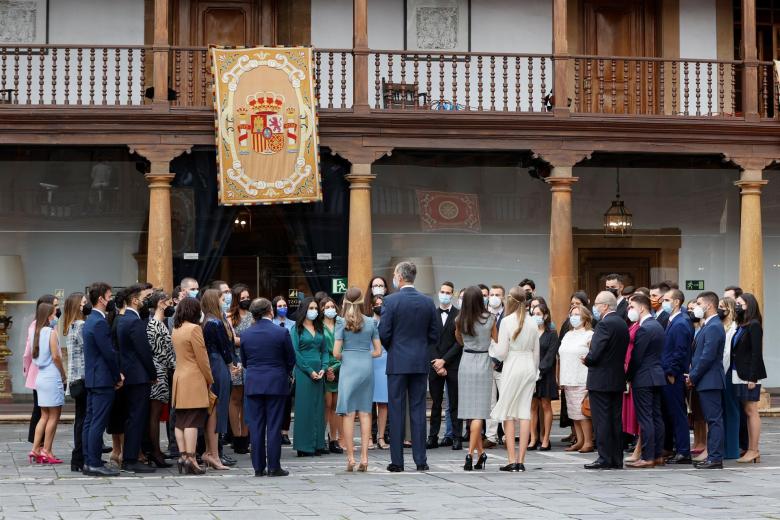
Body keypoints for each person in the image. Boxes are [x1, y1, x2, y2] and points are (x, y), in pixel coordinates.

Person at [379, 261, 440, 472]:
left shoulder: (390, 301)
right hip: (419, 360)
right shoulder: (427, 301)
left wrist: (394, 347)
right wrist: (421, 347)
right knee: (418, 409)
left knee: (396, 410)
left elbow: (384, 332)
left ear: (399, 276)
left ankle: (397, 461)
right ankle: (421, 460)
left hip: (397, 361)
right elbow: (434, 333)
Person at [242, 298, 296, 477]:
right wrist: (283, 372)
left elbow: (244, 361)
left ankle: (258, 467)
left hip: (254, 382)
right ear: (270, 311)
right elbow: (290, 359)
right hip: (276, 382)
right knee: (274, 425)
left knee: (256, 426)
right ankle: (274, 466)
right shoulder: (280, 332)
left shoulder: (246, 334)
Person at [490, 287, 539, 472]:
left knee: (509, 413)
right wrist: (534, 372)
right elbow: (537, 352)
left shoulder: (506, 322)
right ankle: (521, 460)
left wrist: (492, 345)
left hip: (513, 364)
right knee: (524, 412)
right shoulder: (533, 322)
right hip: (528, 366)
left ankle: (511, 459)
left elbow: (501, 353)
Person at [334, 287, 383, 471]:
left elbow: (336, 352)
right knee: (365, 412)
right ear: (362, 301)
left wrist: (348, 355)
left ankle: (351, 458)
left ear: (345, 302)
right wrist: (364, 354)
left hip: (349, 367)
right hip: (366, 367)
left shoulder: (341, 322)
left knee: (348, 413)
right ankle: (364, 457)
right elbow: (378, 352)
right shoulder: (371, 322)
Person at [583, 291, 630, 470]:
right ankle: (616, 458)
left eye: (596, 304)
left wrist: (587, 359)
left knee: (601, 420)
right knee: (614, 419)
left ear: (604, 306)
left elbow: (595, 353)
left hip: (601, 379)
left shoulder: (604, 324)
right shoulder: (621, 323)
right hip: (616, 378)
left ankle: (604, 457)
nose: (594, 307)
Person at [82, 282, 122, 477]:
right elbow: (109, 353)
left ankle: (89, 460)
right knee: (97, 422)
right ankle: (94, 462)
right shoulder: (99, 322)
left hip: (93, 377)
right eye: (109, 295)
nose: (111, 299)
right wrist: (117, 375)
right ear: (101, 299)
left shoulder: (91, 320)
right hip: (102, 378)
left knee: (90, 421)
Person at [116, 284, 157, 473]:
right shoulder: (133, 321)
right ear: (134, 300)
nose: (144, 301)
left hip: (130, 374)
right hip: (138, 376)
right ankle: (131, 458)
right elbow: (144, 351)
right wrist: (152, 373)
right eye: (143, 297)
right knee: (136, 417)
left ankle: (130, 456)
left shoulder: (123, 319)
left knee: (131, 416)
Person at [455, 286, 496, 471]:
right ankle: (471, 454)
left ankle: (479, 454)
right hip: (484, 360)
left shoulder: (460, 319)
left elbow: (460, 340)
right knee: (479, 412)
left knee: (471, 413)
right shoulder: (490, 319)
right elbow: (496, 340)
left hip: (466, 361)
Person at [171, 297, 213, 475]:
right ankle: (192, 458)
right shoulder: (194, 328)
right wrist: (210, 378)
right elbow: (202, 358)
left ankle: (182, 456)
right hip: (194, 378)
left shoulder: (176, 328)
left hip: (179, 377)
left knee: (180, 420)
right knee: (193, 421)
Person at [625, 294, 666, 468]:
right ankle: (657, 455)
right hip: (656, 376)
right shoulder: (656, 325)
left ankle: (648, 456)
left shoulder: (645, 328)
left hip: (643, 377)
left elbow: (637, 357)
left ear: (641, 308)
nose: (629, 310)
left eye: (631, 307)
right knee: (656, 417)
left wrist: (627, 376)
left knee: (646, 418)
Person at [687, 291, 726, 469]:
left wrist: (693, 376)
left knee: (714, 420)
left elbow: (707, 357)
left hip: (710, 380)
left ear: (709, 305)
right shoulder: (707, 325)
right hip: (705, 380)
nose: (696, 307)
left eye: (699, 303)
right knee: (712, 419)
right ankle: (712, 455)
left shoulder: (714, 326)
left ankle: (715, 458)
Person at [200, 289, 236, 470]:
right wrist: (231, 365)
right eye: (222, 299)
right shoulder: (215, 323)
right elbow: (225, 348)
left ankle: (210, 452)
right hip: (218, 365)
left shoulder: (206, 321)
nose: (225, 302)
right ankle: (213, 454)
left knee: (212, 408)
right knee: (216, 409)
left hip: (213, 364)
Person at [291, 297, 329, 457]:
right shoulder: (296, 329)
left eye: (315, 308)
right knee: (304, 408)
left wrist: (324, 368)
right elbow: (295, 352)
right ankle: (304, 446)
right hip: (303, 371)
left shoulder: (320, 328)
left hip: (319, 371)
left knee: (319, 408)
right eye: (311, 308)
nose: (314, 311)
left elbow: (325, 351)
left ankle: (318, 443)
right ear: (304, 310)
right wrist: (309, 370)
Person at [660, 289, 694, 465]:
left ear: (676, 302)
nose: (662, 302)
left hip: (673, 375)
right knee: (670, 414)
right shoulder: (672, 321)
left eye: (666, 299)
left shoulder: (681, 323)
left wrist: (672, 372)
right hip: (667, 374)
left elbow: (679, 351)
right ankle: (676, 448)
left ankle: (683, 452)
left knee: (678, 414)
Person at [732, 292, 766, 464]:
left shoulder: (754, 325)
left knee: (751, 410)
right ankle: (751, 449)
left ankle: (754, 450)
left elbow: (756, 353)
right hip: (738, 373)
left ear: (749, 305)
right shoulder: (741, 325)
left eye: (739, 303)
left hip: (749, 375)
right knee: (746, 410)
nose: (736, 306)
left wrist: (753, 377)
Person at [30, 302, 66, 464]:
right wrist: (63, 374)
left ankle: (35, 449)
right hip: (52, 376)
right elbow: (56, 356)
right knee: (54, 416)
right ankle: (47, 450)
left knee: (44, 415)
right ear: (48, 315)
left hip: (40, 376)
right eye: (53, 314)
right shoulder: (50, 332)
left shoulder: (35, 332)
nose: (55, 317)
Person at [428, 282, 462, 451]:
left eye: (448, 292)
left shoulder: (459, 315)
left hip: (453, 364)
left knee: (455, 402)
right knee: (435, 402)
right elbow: (428, 340)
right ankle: (432, 437)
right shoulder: (431, 314)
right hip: (434, 364)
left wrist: (445, 361)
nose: (445, 295)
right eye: (442, 291)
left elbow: (459, 342)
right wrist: (436, 361)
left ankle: (456, 437)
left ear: (452, 294)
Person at [558, 304, 595, 453]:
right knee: (573, 412)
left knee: (583, 412)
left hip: (582, 376)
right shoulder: (568, 334)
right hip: (568, 376)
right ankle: (579, 440)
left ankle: (588, 441)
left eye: (577, 314)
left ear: (585, 317)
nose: (574, 317)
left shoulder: (590, 335)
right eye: (572, 314)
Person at [24, 294, 59, 447]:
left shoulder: (48, 324)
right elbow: (28, 352)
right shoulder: (36, 325)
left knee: (42, 410)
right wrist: (27, 371)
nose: (57, 310)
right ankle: (38, 444)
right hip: (39, 371)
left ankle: (40, 445)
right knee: (41, 410)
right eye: (55, 306)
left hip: (41, 372)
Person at [146, 290, 176, 468]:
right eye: (168, 302)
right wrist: (177, 365)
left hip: (161, 371)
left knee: (156, 414)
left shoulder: (158, 323)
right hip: (159, 373)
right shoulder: (155, 325)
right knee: (155, 414)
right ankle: (155, 452)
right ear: (160, 303)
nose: (170, 305)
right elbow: (161, 352)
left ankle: (156, 451)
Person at [63, 292, 89, 471]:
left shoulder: (71, 326)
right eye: (84, 303)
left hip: (75, 379)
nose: (87, 305)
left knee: (80, 419)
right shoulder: (81, 326)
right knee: (84, 420)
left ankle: (78, 458)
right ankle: (80, 457)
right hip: (83, 378)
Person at [227, 283, 252, 454]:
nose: (246, 300)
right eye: (242, 298)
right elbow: (231, 339)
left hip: (250, 359)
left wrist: (242, 340)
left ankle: (245, 435)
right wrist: (248, 340)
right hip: (235, 360)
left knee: (247, 400)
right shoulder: (229, 316)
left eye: (247, 297)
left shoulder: (252, 315)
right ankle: (236, 436)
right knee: (235, 399)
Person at [530, 302, 558, 451]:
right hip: (530, 374)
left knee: (546, 405)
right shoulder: (529, 333)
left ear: (545, 316)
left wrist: (540, 370)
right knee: (532, 406)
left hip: (545, 374)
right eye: (533, 314)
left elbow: (550, 355)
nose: (536, 317)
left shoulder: (552, 333)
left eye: (539, 314)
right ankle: (533, 438)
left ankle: (546, 438)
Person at [321, 296, 344, 454]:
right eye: (327, 306)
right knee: (326, 405)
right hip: (325, 368)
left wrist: (336, 366)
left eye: (332, 306)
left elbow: (345, 346)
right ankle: (320, 438)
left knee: (336, 406)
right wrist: (327, 368)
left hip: (341, 366)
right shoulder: (318, 326)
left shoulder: (340, 324)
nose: (331, 309)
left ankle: (334, 438)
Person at [484, 284, 506, 449]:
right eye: (492, 294)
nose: (494, 297)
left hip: (504, 365)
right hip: (486, 364)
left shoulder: (508, 315)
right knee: (489, 402)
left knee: (505, 400)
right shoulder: (482, 314)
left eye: (497, 294)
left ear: (503, 297)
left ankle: (507, 435)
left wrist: (498, 360)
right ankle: (491, 436)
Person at [719, 297, 740, 460]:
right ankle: (724, 447)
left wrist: (722, 372)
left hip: (728, 373)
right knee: (723, 411)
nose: (720, 309)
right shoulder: (720, 326)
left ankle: (732, 449)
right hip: (721, 372)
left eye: (722, 307)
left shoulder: (734, 327)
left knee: (731, 410)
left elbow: (727, 354)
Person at [272, 296, 295, 445]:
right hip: (275, 363)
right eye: (279, 305)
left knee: (287, 400)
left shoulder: (293, 324)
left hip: (289, 364)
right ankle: (275, 430)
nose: (283, 307)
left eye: (284, 305)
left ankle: (285, 432)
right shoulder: (271, 323)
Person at [370, 294, 390, 450]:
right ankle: (369, 436)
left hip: (385, 362)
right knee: (367, 403)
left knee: (383, 403)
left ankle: (381, 437)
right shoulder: (367, 322)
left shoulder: (389, 322)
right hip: (369, 362)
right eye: (376, 303)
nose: (379, 306)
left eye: (381, 304)